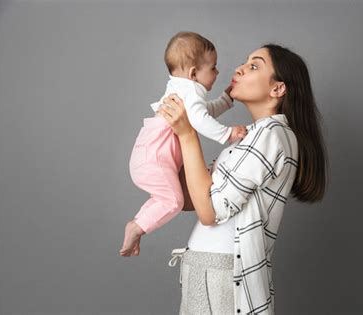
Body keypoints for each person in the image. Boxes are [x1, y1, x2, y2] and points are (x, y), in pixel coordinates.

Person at [140, 43, 329, 314]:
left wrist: (187, 135)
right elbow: (193, 199)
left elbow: (209, 212)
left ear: (278, 88)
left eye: (254, 66)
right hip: (208, 268)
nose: (239, 68)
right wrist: (173, 137)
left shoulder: (271, 135)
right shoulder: (249, 136)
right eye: (245, 62)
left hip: (224, 273)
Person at [119, 31, 247, 256]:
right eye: (214, 67)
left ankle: (138, 224)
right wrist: (228, 133)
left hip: (149, 155)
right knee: (173, 202)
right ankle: (137, 227)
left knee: (165, 199)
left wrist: (225, 101)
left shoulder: (183, 90)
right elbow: (199, 120)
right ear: (194, 73)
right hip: (155, 158)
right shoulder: (190, 93)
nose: (217, 72)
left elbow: (202, 113)